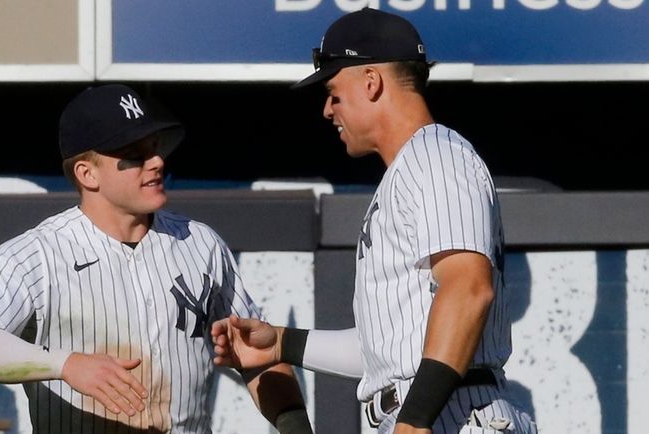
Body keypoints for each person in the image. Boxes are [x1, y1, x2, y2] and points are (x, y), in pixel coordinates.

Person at [211, 8, 537, 434]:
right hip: (432, 409)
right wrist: (282, 344)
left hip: (452, 415)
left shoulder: (435, 156)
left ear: (371, 82)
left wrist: (415, 421)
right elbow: (388, 352)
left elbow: (469, 287)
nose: (328, 110)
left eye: (333, 92)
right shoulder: (411, 169)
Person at [0, 84, 312, 434]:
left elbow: (258, 354)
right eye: (134, 154)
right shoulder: (37, 254)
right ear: (87, 174)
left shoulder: (200, 243)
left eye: (155, 147)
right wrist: (65, 365)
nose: (156, 162)